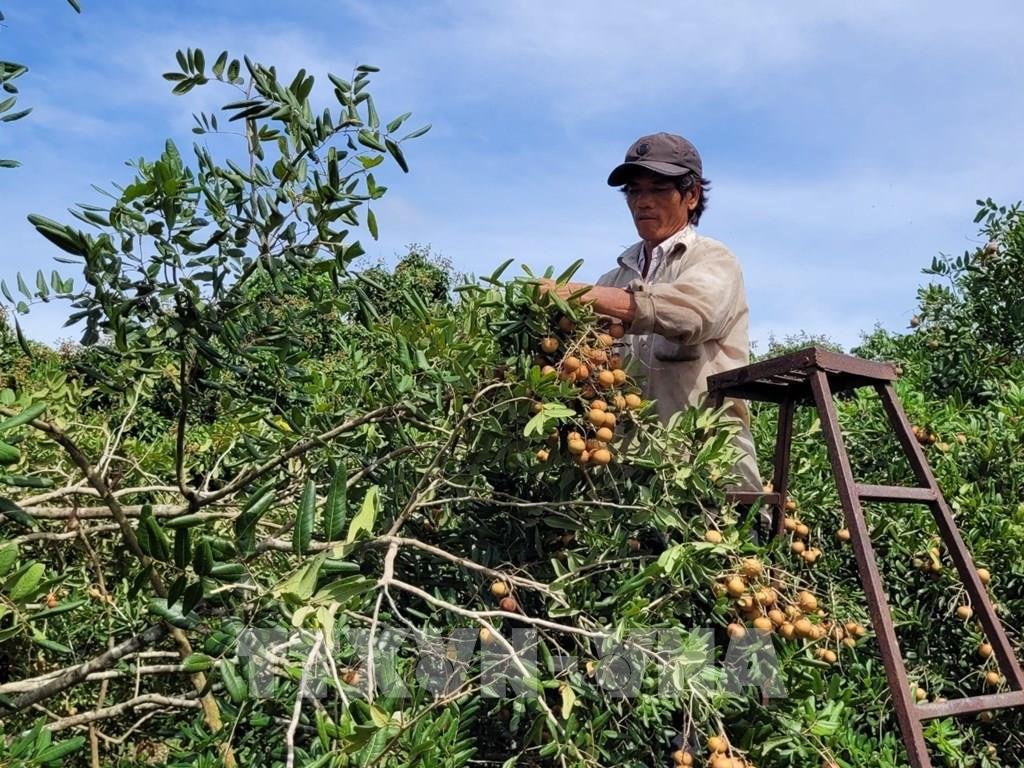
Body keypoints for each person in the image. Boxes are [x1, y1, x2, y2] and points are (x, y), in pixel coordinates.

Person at [544, 131, 761, 492]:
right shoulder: (614, 278)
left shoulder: (713, 260)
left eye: (658, 189)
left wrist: (577, 293)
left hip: (707, 469)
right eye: (634, 191)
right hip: (630, 478)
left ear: (691, 196)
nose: (642, 202)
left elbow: (691, 314)